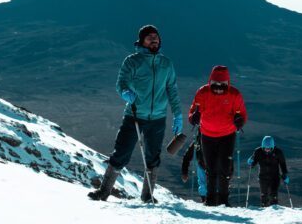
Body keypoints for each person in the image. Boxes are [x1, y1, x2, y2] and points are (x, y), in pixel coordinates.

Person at [88, 25, 182, 203]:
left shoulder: (166, 63)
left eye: (156, 36)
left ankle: (147, 196)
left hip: (158, 118)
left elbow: (172, 90)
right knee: (121, 153)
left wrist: (178, 114)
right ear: (142, 41)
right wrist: (125, 93)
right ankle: (104, 191)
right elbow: (121, 83)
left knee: (153, 157)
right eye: (149, 37)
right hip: (134, 115)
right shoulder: (132, 61)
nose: (154, 39)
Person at [188, 65, 247, 206]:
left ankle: (223, 199)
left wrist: (240, 120)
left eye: (222, 85)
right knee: (211, 167)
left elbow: (242, 113)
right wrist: (193, 117)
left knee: (224, 167)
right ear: (210, 82)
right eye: (216, 85)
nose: (219, 88)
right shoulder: (202, 93)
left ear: (228, 83)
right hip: (207, 134)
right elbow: (192, 111)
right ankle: (210, 199)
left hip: (227, 135)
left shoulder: (234, 95)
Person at [247, 136, 289, 207]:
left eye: (269, 148)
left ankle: (274, 212)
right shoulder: (258, 151)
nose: (267, 150)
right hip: (263, 177)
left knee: (273, 195)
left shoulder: (278, 152)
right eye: (265, 148)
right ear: (262, 146)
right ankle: (265, 212)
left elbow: (283, 164)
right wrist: (251, 162)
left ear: (272, 147)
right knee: (264, 196)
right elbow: (253, 163)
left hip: (275, 177)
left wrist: (285, 174)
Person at [180, 128, 207, 203]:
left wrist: (184, 172)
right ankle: (205, 199)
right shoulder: (197, 142)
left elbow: (187, 157)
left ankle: (205, 198)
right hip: (207, 165)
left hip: (203, 164)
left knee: (203, 183)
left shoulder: (197, 141)